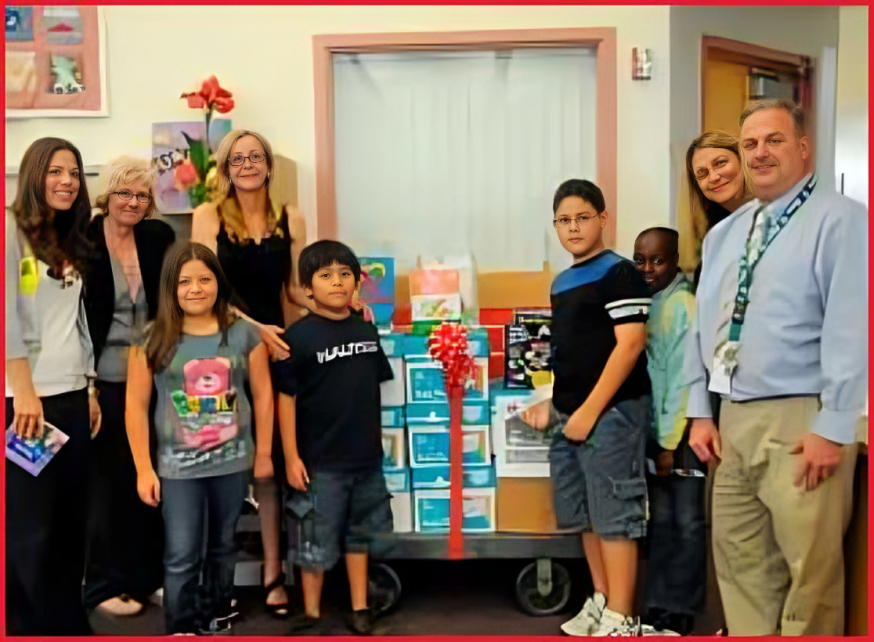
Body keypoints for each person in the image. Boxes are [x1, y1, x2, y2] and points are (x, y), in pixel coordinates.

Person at [686, 98, 867, 635]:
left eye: (774, 140)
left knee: (809, 572)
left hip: (801, 416)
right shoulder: (726, 234)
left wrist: (833, 425)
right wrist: (700, 411)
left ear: (803, 148)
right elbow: (704, 329)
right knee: (739, 562)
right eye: (749, 144)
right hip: (733, 418)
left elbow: (850, 325)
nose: (760, 153)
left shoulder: (841, 220)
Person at [522, 179, 651, 636]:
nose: (573, 227)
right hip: (570, 413)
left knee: (615, 515)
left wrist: (589, 412)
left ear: (602, 218)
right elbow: (572, 353)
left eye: (582, 217)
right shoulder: (562, 281)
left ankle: (622, 616)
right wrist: (553, 404)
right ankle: (601, 601)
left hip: (613, 414)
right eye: (564, 220)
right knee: (586, 514)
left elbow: (630, 346)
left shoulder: (620, 273)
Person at [126, 242, 273, 634]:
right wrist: (144, 468)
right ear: (170, 288)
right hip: (177, 469)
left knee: (224, 546)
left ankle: (217, 614)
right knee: (182, 553)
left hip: (232, 463)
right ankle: (181, 625)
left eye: (205, 279)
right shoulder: (151, 338)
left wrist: (264, 455)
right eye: (185, 281)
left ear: (218, 283)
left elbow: (262, 395)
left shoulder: (244, 334)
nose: (196, 289)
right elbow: (135, 408)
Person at [191, 129, 308, 616]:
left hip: (276, 349)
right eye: (237, 158)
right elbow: (204, 289)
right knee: (223, 463)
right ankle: (213, 580)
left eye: (255, 156)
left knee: (273, 467)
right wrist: (257, 328)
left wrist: (345, 300)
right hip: (225, 349)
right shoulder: (208, 216)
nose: (247, 164)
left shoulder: (291, 217)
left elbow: (298, 289)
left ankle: (274, 575)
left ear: (269, 166)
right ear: (224, 168)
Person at [273, 240, 394, 635]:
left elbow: (373, 385)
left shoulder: (365, 329)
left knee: (359, 537)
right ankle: (310, 611)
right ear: (307, 289)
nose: (337, 282)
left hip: (365, 459)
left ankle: (360, 607)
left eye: (345, 274)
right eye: (325, 276)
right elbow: (286, 400)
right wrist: (291, 456)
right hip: (320, 463)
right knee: (314, 541)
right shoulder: (299, 337)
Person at [5, 137, 100, 634]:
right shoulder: (10, 230)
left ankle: (66, 622)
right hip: (27, 403)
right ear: (34, 174)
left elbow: (73, 320)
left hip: (69, 397)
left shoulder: (67, 238)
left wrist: (88, 386)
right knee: (30, 525)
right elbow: (7, 316)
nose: (66, 181)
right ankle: (26, 626)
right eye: (55, 171)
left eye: (75, 172)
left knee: (68, 522)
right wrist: (23, 389)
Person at [82, 162, 175, 616]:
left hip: (157, 373)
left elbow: (184, 293)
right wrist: (87, 386)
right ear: (107, 195)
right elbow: (72, 319)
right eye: (124, 193)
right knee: (111, 483)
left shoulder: (158, 237)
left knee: (154, 476)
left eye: (141, 196)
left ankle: (148, 576)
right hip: (104, 378)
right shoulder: (83, 237)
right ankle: (106, 583)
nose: (132, 203)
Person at [633, 227, 704, 636]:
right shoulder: (652, 300)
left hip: (682, 436)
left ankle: (681, 609)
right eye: (640, 260)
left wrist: (667, 444)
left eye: (657, 260)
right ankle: (658, 603)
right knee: (660, 521)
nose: (647, 268)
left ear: (675, 260)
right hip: (657, 430)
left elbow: (683, 377)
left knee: (687, 522)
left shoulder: (682, 305)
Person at [685, 131, 752, 289]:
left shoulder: (776, 216)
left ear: (743, 159)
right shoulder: (714, 235)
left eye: (720, 163)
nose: (713, 177)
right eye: (702, 172)